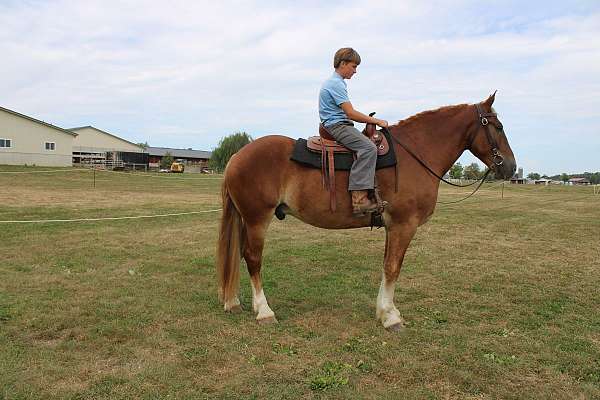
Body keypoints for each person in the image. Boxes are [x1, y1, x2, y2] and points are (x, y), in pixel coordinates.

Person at [318, 47, 388, 215]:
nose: (355, 71)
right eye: (353, 66)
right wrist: (376, 120)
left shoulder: (337, 82)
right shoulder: (335, 84)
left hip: (338, 124)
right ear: (342, 64)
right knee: (368, 148)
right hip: (337, 126)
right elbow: (350, 113)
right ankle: (359, 200)